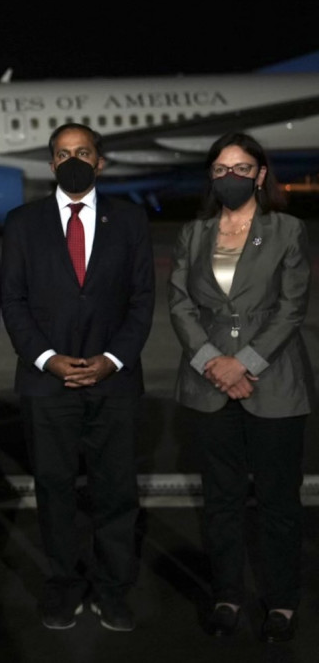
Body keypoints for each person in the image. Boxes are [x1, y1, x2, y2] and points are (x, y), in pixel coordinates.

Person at [0, 123, 154, 632]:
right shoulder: (22, 223)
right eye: (63, 154)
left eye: (82, 152)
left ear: (100, 161)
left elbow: (142, 300)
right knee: (54, 492)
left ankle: (112, 590)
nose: (73, 161)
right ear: (51, 164)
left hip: (114, 382)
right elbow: (13, 301)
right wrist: (47, 358)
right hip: (47, 384)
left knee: (117, 493)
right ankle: (63, 586)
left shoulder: (129, 220)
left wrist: (113, 359)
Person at [168, 133, 312, 643]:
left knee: (278, 502)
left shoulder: (287, 230)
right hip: (209, 384)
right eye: (221, 168)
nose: (231, 176)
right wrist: (213, 363)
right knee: (221, 500)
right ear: (211, 176)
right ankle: (227, 595)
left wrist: (243, 364)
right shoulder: (194, 233)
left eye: (242, 168)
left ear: (260, 174)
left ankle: (281, 602)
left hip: (272, 382)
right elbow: (181, 304)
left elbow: (291, 307)